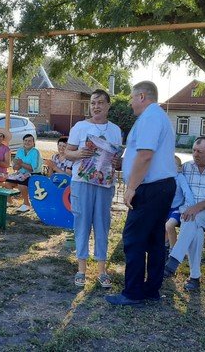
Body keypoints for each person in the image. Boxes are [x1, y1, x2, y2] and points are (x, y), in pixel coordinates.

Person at [105, 81, 176, 306]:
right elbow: (140, 154)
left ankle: (133, 292)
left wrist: (132, 187)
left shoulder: (150, 117)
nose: (130, 103)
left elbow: (145, 156)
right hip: (160, 186)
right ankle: (151, 289)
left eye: (132, 98)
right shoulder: (155, 117)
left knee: (134, 239)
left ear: (142, 96)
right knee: (154, 239)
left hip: (150, 188)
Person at [65, 89, 122, 289]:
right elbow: (67, 153)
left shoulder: (115, 130)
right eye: (92, 103)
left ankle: (101, 270)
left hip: (105, 184)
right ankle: (81, 269)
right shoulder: (79, 127)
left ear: (108, 106)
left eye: (99, 103)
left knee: (102, 224)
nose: (95, 106)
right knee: (82, 222)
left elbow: (117, 158)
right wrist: (78, 152)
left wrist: (116, 160)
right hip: (82, 182)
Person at [163, 136, 205, 292]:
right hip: (188, 213)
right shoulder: (186, 167)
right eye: (194, 150)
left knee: (193, 218)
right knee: (195, 228)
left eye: (199, 151)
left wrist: (197, 207)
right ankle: (195, 277)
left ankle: (173, 259)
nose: (195, 154)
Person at [3, 134, 41, 213]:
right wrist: (17, 165)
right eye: (25, 141)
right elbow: (15, 167)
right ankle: (9, 201)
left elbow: (33, 168)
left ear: (33, 142)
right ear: (23, 142)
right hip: (21, 174)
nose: (27, 142)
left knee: (21, 184)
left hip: (34, 175)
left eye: (30, 141)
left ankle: (26, 204)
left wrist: (21, 163)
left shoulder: (35, 152)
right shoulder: (20, 150)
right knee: (7, 183)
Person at [165, 155, 194, 254]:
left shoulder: (180, 178)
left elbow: (187, 193)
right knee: (159, 225)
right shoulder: (164, 177)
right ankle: (165, 245)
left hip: (176, 209)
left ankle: (173, 251)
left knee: (169, 225)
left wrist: (189, 207)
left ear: (179, 168)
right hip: (164, 208)